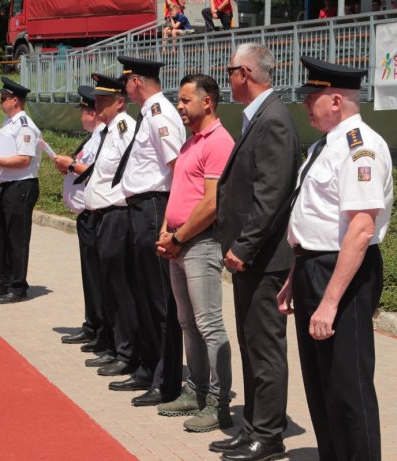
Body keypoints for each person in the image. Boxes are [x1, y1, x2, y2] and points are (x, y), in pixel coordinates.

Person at [278, 56, 393, 461]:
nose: (307, 104)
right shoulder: (323, 146)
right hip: (314, 266)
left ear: (337, 100)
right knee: (321, 383)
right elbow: (317, 218)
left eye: (313, 97)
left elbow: (360, 230)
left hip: (344, 273)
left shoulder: (361, 149)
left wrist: (330, 299)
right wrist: (297, 272)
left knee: (348, 387)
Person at [210, 43, 300, 461]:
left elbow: (271, 194)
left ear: (244, 73)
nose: (227, 78)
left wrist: (243, 246)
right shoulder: (259, 117)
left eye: (229, 71)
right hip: (252, 256)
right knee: (251, 344)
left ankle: (268, 435)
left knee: (264, 348)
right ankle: (253, 428)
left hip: (264, 258)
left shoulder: (274, 120)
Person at [155, 74, 234, 432]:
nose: (179, 107)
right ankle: (197, 390)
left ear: (208, 102)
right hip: (179, 242)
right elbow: (180, 192)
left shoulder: (218, 142)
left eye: (186, 101)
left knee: (209, 325)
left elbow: (212, 203)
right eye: (179, 100)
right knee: (188, 323)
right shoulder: (191, 143)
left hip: (201, 244)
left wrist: (179, 236)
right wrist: (166, 232)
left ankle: (219, 402)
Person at [110, 55, 186, 407]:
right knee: (143, 294)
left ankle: (165, 379)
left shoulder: (160, 115)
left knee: (159, 300)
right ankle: (146, 367)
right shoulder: (148, 114)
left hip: (156, 208)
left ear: (136, 81)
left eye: (126, 80)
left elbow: (177, 168)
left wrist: (171, 222)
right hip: (140, 209)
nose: (125, 86)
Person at [80, 73, 141, 378]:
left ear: (119, 103)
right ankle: (115, 346)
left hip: (117, 216)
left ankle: (127, 352)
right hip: (103, 217)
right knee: (108, 287)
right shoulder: (107, 131)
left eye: (103, 99)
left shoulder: (125, 129)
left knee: (120, 288)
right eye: (96, 99)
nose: (97, 103)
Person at [0, 77, 42, 304]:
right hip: (6, 185)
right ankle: (1, 282)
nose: (0, 102)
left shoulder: (25, 126)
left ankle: (17, 286)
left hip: (21, 185)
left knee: (17, 238)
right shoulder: (8, 123)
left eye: (3, 99)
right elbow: (6, 153)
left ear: (15, 100)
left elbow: (24, 160)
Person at [53, 86, 106, 346]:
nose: (81, 116)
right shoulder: (91, 138)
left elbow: (95, 171)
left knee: (97, 276)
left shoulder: (101, 138)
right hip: (86, 216)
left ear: (93, 113)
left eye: (84, 111)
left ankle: (99, 328)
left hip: (95, 215)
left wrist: (71, 165)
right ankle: (92, 323)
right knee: (89, 275)